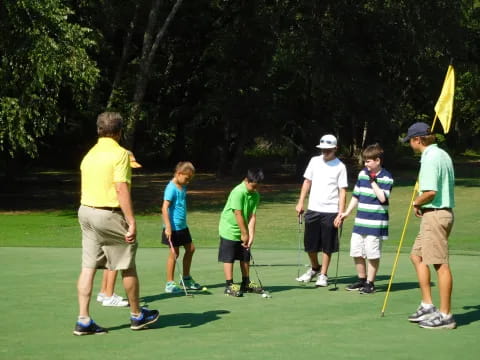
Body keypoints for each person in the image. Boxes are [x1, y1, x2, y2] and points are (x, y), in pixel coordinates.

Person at [74, 112, 159, 335]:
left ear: (99, 130)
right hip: (108, 214)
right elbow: (120, 187)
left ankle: (83, 320)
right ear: (120, 132)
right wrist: (131, 221)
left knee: (88, 267)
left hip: (86, 212)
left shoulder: (89, 155)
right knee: (127, 264)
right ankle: (137, 316)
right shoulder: (120, 154)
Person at [402, 122, 456, 329]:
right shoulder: (441, 154)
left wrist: (416, 201)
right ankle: (428, 305)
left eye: (410, 141)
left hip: (435, 214)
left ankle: (445, 315)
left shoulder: (431, 158)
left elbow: (431, 191)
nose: (410, 145)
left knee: (440, 264)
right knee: (417, 256)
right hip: (435, 214)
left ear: (418, 139)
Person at [339, 143, 394, 294]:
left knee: (372, 254)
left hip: (376, 223)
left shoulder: (387, 177)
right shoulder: (362, 174)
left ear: (378, 161)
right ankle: (362, 280)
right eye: (365, 161)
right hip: (360, 221)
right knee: (356, 252)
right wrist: (346, 212)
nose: (366, 164)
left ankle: (370, 283)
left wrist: (372, 181)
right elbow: (356, 195)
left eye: (368, 161)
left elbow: (383, 198)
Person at [295, 134, 348, 287]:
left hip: (331, 210)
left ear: (335, 149)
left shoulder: (340, 166)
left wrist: (341, 212)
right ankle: (314, 268)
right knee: (310, 245)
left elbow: (342, 191)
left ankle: (323, 274)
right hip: (313, 208)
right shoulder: (314, 161)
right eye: (323, 149)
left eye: (328, 150)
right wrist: (300, 202)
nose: (325, 152)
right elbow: (307, 182)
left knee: (327, 245)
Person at [95, 151, 142, 307]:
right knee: (117, 254)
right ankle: (109, 296)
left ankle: (104, 292)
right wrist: (130, 221)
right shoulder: (120, 178)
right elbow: (121, 196)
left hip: (103, 215)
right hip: (115, 215)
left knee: (110, 256)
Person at [218, 169, 264, 297]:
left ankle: (246, 283)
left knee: (245, 256)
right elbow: (237, 213)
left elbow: (252, 216)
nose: (254, 188)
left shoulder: (255, 195)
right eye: (253, 185)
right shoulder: (238, 192)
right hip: (229, 229)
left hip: (244, 230)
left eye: (257, 186)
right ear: (246, 180)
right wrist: (244, 233)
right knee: (229, 257)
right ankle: (229, 285)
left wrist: (251, 235)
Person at [161, 161, 202, 293]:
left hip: (182, 226)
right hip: (172, 227)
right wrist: (167, 227)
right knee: (174, 253)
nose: (188, 181)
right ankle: (169, 283)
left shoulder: (182, 186)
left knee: (191, 249)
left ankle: (186, 278)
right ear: (179, 174)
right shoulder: (171, 188)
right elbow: (164, 208)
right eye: (187, 178)